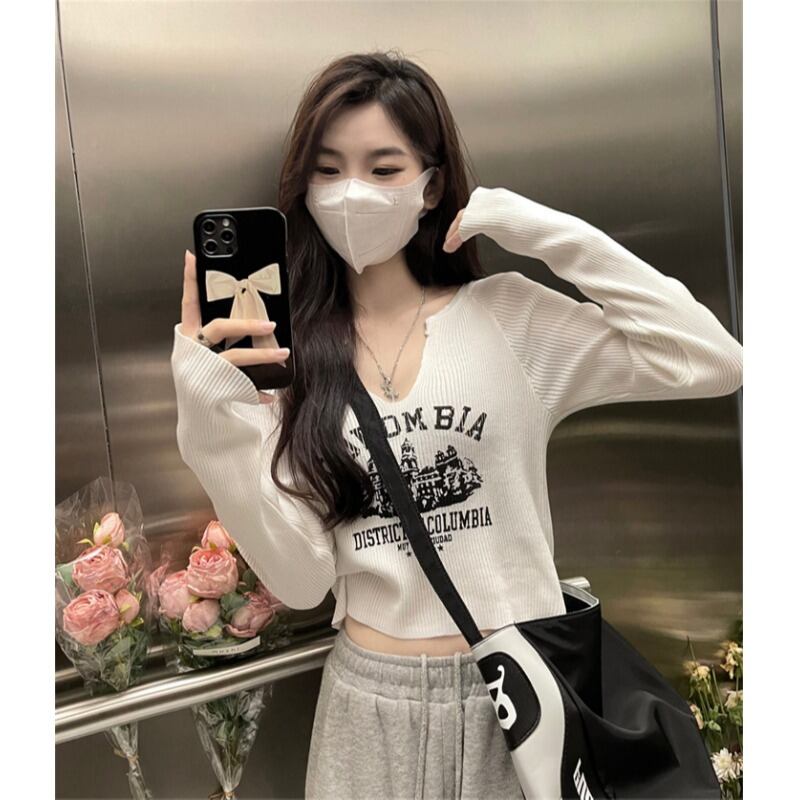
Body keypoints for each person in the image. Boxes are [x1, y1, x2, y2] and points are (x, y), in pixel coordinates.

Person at [170, 50, 743, 800]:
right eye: (328, 170)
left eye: (384, 168)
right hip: (368, 708)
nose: (352, 193)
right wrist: (212, 411)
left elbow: (710, 359)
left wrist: (543, 232)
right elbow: (302, 581)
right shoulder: (290, 359)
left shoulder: (509, 318)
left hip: (520, 696)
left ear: (431, 184)